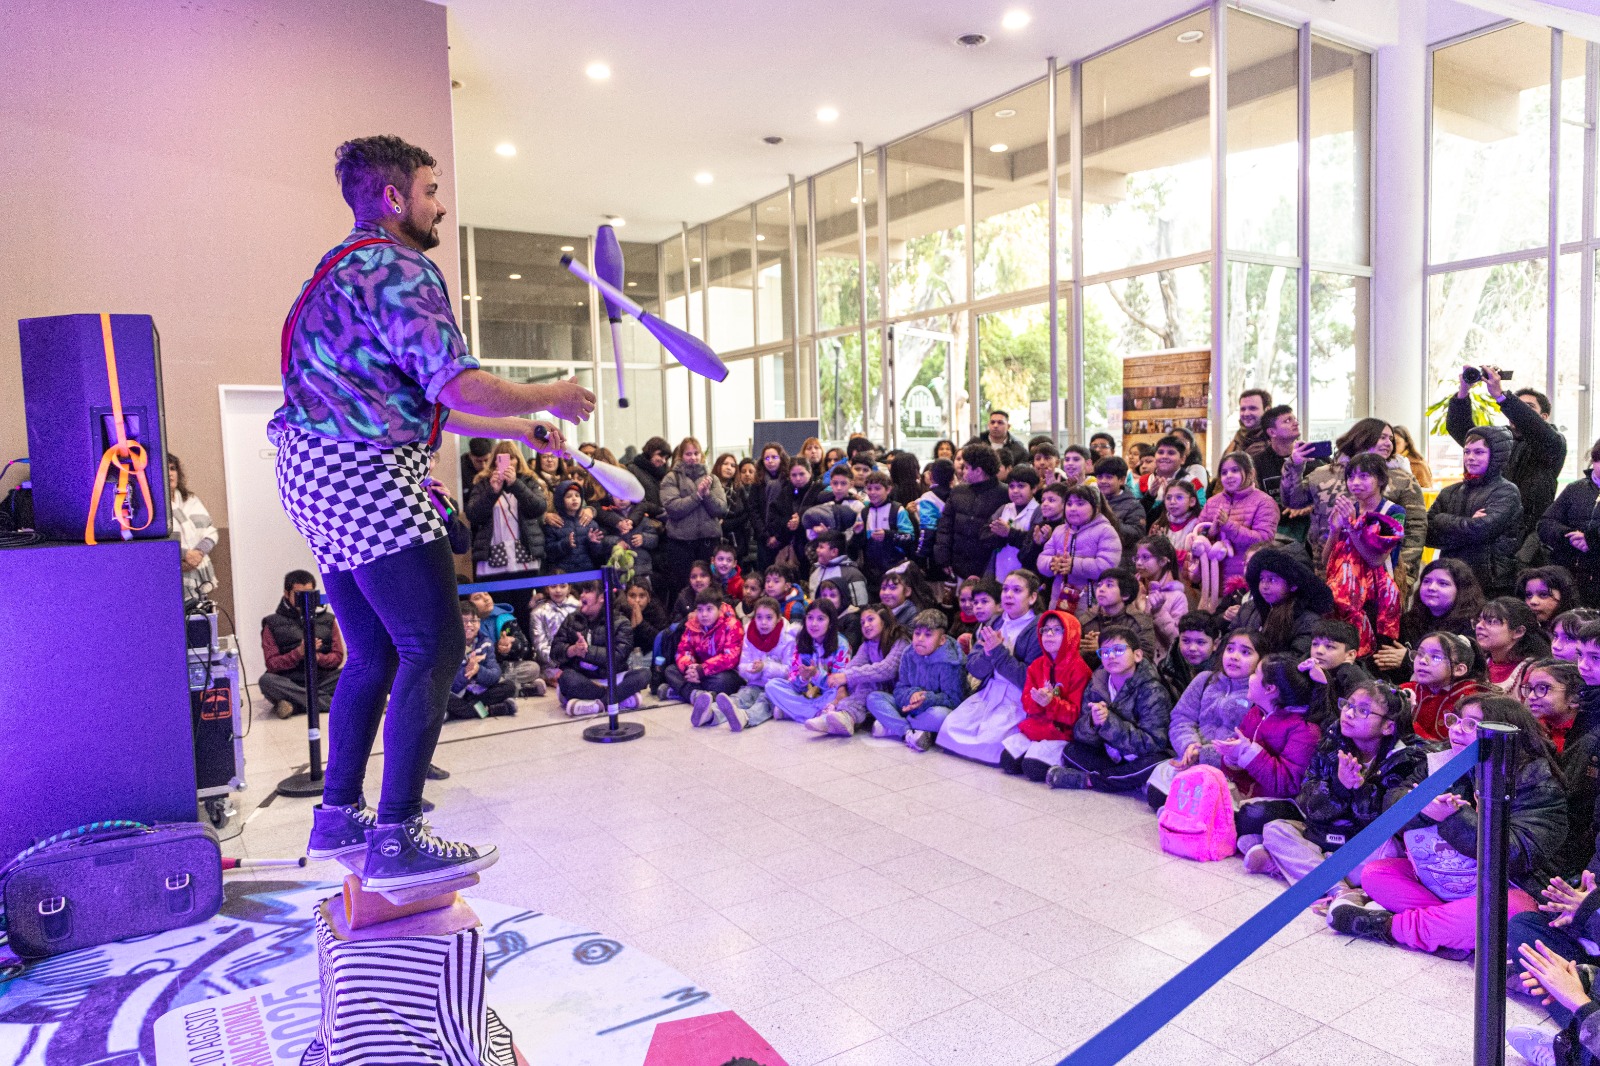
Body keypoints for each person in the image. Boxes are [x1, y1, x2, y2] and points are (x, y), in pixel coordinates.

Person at [1334, 695, 1565, 959]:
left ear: (1503, 733)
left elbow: (1516, 854)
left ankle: (1389, 927)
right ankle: (1451, 932)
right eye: (1455, 720)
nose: (1455, 729)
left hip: (1509, 888)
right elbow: (1393, 803)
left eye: (1471, 725)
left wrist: (1453, 817)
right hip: (1443, 882)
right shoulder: (1441, 760)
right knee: (1376, 874)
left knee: (1510, 910)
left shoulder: (1536, 782)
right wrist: (1425, 810)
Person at [1257, 680, 1426, 885]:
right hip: (1324, 834)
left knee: (1386, 855)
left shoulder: (1406, 759)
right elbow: (1306, 801)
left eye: (1363, 710)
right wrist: (1339, 786)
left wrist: (1359, 788)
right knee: (1275, 830)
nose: (1349, 713)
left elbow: (1386, 823)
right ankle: (1338, 887)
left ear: (1388, 726)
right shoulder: (1332, 740)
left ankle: (1299, 866)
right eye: (1348, 704)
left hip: (1363, 847)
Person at [1046, 623, 1174, 792]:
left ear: (1137, 655)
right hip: (1110, 756)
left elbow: (1154, 743)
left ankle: (1090, 780)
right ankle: (1124, 780)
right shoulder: (1096, 684)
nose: (1111, 656)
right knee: (1071, 751)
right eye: (1104, 652)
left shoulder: (1153, 690)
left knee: (1158, 762)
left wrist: (1109, 723)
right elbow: (1079, 734)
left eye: (1119, 650)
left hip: (1140, 757)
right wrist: (1092, 723)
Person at [1447, 364, 1566, 542]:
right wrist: (1463, 390)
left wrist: (1502, 396)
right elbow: (1462, 430)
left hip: (1529, 535)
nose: (1521, 411)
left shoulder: (1553, 443)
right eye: (1519, 406)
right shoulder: (1499, 439)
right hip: (1493, 528)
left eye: (1529, 407)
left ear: (1544, 417)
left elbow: (1536, 429)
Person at [1146, 630, 1262, 810]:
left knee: (1210, 801)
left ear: (1260, 659)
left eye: (1245, 652)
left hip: (1229, 771)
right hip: (1190, 758)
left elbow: (1248, 742)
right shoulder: (1205, 679)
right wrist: (1189, 746)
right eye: (1230, 649)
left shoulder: (1258, 694)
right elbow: (1181, 717)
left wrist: (1203, 755)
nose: (1234, 657)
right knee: (1156, 793)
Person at [937, 572, 1043, 762]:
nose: (1009, 595)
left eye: (1017, 590)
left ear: (1033, 597)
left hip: (1017, 697)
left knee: (993, 743)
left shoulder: (1038, 629)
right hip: (989, 691)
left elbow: (1028, 679)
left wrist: (997, 651)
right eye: (1006, 589)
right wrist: (987, 653)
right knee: (949, 729)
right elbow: (974, 668)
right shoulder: (997, 621)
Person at [1216, 653, 1321, 843]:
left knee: (1253, 816)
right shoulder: (1256, 712)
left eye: (1256, 673)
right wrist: (1231, 758)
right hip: (1248, 794)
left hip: (1281, 803)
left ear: (1270, 688)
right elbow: (1238, 775)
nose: (1250, 678)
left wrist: (1247, 753)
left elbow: (1288, 785)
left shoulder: (1305, 729)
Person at [1322, 453, 1406, 657]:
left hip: (1377, 595)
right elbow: (1326, 560)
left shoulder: (1393, 511)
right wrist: (1334, 531)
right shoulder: (1347, 509)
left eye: (1364, 476)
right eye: (1351, 477)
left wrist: (1352, 527)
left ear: (1381, 480)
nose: (1355, 483)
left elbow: (1375, 559)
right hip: (1343, 592)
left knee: (1372, 651)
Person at [1426, 425, 1523, 596]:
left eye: (1478, 452)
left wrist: (1442, 520)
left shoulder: (1506, 491)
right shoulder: (1450, 492)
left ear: (1496, 457)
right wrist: (1469, 523)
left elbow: (1481, 530)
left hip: (1490, 582)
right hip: (1451, 579)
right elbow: (1428, 534)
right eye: (1466, 452)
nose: (1470, 458)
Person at [465, 443, 548, 636]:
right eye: (501, 458)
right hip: (493, 562)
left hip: (524, 561)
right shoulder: (483, 483)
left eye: (511, 458)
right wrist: (492, 492)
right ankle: (500, 656)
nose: (507, 462)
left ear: (518, 460)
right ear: (494, 462)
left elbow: (538, 507)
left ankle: (525, 653)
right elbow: (473, 515)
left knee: (524, 610)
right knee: (498, 612)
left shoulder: (528, 481)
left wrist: (515, 485)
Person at [1000, 610, 1092, 781]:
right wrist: (1038, 701)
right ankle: (1034, 749)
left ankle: (1053, 756)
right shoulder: (1037, 665)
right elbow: (1026, 703)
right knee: (1007, 762)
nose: (1049, 634)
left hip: (1061, 731)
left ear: (1071, 634)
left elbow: (1076, 715)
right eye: (1045, 629)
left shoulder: (1080, 670)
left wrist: (1052, 703)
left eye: (1057, 630)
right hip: (1036, 726)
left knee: (1032, 769)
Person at [865, 609, 967, 746]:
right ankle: (910, 732)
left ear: (942, 640)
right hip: (908, 707)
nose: (920, 639)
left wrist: (925, 697)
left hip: (931, 710)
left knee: (941, 716)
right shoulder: (909, 653)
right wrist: (911, 695)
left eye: (928, 635)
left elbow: (955, 700)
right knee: (874, 698)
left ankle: (894, 726)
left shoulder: (951, 662)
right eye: (917, 633)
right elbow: (900, 688)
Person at [1189, 452, 1278, 605]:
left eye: (1235, 470)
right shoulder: (1213, 502)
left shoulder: (1264, 502)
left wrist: (1228, 525)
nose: (1228, 476)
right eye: (1224, 472)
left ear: (1251, 473)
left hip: (1246, 582)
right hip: (1213, 582)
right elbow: (1198, 532)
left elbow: (1264, 540)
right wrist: (1210, 532)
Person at [260, 570, 345, 718]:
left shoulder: (328, 620)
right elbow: (272, 664)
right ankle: (337, 704)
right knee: (266, 681)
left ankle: (294, 705)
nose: (305, 599)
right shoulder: (272, 623)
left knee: (350, 672)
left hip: (321, 679)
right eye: (299, 595)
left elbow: (337, 657)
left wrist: (317, 657)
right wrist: (299, 653)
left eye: (310, 594)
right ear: (287, 594)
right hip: (290, 682)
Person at [709, 596, 797, 731]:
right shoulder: (749, 635)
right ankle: (711, 714)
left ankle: (745, 717)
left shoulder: (787, 638)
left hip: (777, 687)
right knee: (742, 696)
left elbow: (790, 671)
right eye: (759, 617)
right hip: (755, 683)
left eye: (769, 617)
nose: (763, 622)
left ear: (778, 618)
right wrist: (752, 669)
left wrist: (766, 667)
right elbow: (743, 666)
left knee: (764, 702)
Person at [658, 437, 727, 606]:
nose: (693, 457)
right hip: (681, 544)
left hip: (708, 541)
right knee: (683, 587)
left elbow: (721, 509)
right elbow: (673, 508)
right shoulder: (671, 478)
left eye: (696, 453)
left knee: (711, 586)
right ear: (681, 456)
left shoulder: (713, 479)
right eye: (688, 454)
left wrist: (706, 494)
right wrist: (697, 496)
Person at [1037, 483, 1122, 615]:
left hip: (1092, 605)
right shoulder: (1059, 531)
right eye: (1069, 504)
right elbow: (1042, 559)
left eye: (1080, 504)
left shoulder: (1105, 531)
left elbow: (1108, 567)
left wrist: (1074, 565)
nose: (1073, 508)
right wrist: (1052, 563)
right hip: (1059, 601)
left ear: (1096, 508)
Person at [1232, 548, 1334, 657]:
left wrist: (1259, 665)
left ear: (1293, 585)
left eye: (1272, 579)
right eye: (1262, 579)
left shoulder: (1308, 621)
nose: (1264, 586)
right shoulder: (1248, 609)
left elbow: (1297, 658)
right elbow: (1229, 642)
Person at [766, 601, 853, 726]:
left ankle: (795, 712)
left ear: (831, 623)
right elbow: (794, 682)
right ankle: (818, 715)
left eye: (820, 619)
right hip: (806, 694)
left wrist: (816, 674)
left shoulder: (841, 644)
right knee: (772, 686)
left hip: (828, 695)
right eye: (810, 618)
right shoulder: (802, 641)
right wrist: (803, 678)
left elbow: (838, 682)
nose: (813, 624)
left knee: (837, 694)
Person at [933, 443, 1009, 582]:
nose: (963, 471)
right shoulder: (958, 491)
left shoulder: (1005, 494)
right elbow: (945, 528)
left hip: (991, 568)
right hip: (958, 567)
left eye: (967, 467)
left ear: (978, 470)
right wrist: (943, 559)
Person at [1540, 439, 1600, 609]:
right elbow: (1545, 524)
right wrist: (1569, 536)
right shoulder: (1575, 489)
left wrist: (1592, 539)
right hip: (1571, 575)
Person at [1399, 632, 1490, 743]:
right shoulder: (1407, 690)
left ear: (1459, 669)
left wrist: (1407, 720)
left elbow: (1450, 747)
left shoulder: (1471, 699)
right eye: (1420, 654)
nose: (1422, 661)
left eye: (1436, 657)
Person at [675, 590, 746, 724]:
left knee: (724, 681)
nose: (704, 614)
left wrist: (702, 669)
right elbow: (683, 651)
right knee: (671, 670)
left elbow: (731, 657)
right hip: (699, 672)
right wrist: (689, 668)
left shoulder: (731, 625)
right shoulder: (692, 626)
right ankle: (696, 695)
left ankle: (681, 691)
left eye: (709, 609)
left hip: (722, 673)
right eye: (700, 610)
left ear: (719, 609)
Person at [465, 590, 546, 697]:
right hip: (477, 669)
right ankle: (521, 690)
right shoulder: (467, 625)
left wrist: (513, 644)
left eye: (486, 594)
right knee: (466, 677)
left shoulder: (504, 618)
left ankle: (496, 688)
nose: (486, 598)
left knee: (533, 668)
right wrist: (496, 648)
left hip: (500, 668)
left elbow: (526, 649)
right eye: (477, 597)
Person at [447, 602, 517, 720]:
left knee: (509, 686)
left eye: (473, 621)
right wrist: (467, 672)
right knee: (439, 697)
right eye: (463, 621)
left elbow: (495, 675)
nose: (469, 625)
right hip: (458, 695)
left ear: (479, 623)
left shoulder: (485, 642)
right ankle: (490, 710)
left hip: (480, 692)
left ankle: (458, 713)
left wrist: (479, 670)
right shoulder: (448, 647)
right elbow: (450, 685)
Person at [168, 453, 218, 605]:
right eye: (166, 468)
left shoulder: (191, 500)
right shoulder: (152, 506)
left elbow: (211, 532)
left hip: (196, 573)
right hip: (169, 574)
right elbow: (156, 542)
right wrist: (184, 555)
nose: (170, 473)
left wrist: (198, 553)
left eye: (173, 468)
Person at [1476, 596, 1551, 694]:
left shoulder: (1534, 671)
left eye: (1491, 622)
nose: (1479, 626)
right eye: (1478, 621)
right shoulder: (1477, 665)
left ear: (1518, 632)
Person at [852, 471, 914, 584]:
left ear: (888, 489)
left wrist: (888, 535)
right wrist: (857, 534)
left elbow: (909, 538)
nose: (872, 492)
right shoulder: (864, 513)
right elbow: (855, 548)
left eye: (877, 488)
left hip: (895, 568)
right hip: (870, 571)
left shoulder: (897, 510)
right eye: (869, 489)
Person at [985, 465, 1041, 581]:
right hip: (1000, 572)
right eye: (1011, 486)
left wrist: (1008, 533)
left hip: (1026, 576)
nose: (1015, 491)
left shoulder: (1039, 512)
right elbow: (985, 532)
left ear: (1034, 488)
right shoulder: (1004, 508)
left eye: (1021, 486)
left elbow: (1032, 544)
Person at [1094, 457, 1146, 569]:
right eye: (1099, 477)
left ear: (1122, 480)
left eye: (1109, 477)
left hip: (1121, 566)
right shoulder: (1093, 502)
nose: (1103, 481)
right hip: (1096, 562)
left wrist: (1109, 519)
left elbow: (1136, 535)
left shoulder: (1133, 505)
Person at [544, 479, 607, 573]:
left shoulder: (590, 522)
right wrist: (565, 544)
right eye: (569, 496)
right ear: (560, 500)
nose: (574, 499)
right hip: (564, 574)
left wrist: (593, 542)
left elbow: (597, 553)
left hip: (586, 572)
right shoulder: (554, 523)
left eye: (577, 496)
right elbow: (549, 552)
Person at [1520, 566, 1578, 633]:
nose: (1532, 601)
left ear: (1564, 596)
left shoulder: (1582, 635)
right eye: (1528, 595)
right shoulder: (1524, 634)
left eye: (1543, 594)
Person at [627, 437, 672, 517]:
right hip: (645, 517)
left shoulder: (666, 472)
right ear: (650, 452)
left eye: (666, 458)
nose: (663, 460)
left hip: (665, 515)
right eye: (661, 455)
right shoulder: (633, 469)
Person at [1225, 388, 1272, 457]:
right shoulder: (1238, 438)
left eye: (1253, 408)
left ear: (1267, 410)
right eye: (1243, 409)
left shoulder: (1275, 439)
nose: (1246, 413)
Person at [1388, 424, 1433, 489]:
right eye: (1391, 442)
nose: (1393, 446)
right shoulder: (1385, 461)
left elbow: (1427, 491)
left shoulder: (1418, 464)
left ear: (1406, 442)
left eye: (1397, 442)